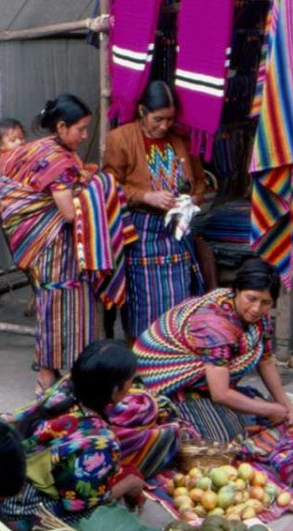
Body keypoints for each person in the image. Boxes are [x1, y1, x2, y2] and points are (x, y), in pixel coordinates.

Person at [0, 94, 100, 394]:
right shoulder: (57, 159)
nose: (84, 135)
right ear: (62, 126)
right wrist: (94, 198)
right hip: (55, 246)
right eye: (80, 129)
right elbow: (69, 212)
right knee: (62, 305)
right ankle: (49, 377)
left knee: (52, 304)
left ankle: (55, 372)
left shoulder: (38, 149)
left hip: (44, 245)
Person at [0, 340, 160, 529]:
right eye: (131, 381)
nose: (133, 386)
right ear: (116, 390)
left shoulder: (64, 390)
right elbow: (77, 505)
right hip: (23, 512)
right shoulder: (98, 441)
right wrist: (129, 484)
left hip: (10, 485)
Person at [133, 258, 293, 442]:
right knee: (224, 439)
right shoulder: (214, 323)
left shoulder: (257, 317)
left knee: (259, 418)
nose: (257, 308)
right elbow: (220, 393)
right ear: (237, 291)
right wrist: (271, 409)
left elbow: (265, 360)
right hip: (170, 382)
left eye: (266, 302)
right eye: (251, 299)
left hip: (206, 380)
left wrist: (286, 406)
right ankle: (168, 420)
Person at [103, 80, 209, 344]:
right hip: (141, 231)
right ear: (142, 111)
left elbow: (199, 182)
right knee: (142, 299)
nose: (164, 126)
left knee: (179, 297)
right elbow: (108, 184)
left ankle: (172, 355)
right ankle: (139, 357)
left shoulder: (180, 139)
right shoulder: (121, 138)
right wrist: (145, 196)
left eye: (169, 119)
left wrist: (190, 201)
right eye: (158, 119)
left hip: (177, 233)